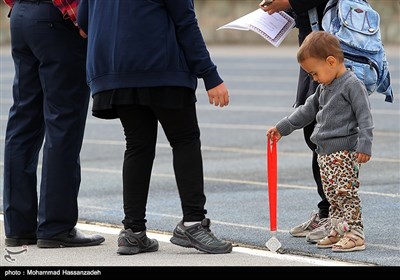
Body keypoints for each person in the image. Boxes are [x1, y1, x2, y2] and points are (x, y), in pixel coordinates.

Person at [77, 0, 233, 255]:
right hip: (161, 67)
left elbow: (83, 21)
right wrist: (210, 75)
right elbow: (186, 23)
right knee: (185, 140)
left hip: (116, 71)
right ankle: (193, 222)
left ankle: (133, 231)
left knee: (138, 146)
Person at [3, 0, 105, 248]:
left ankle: (19, 228)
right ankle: (56, 227)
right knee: (64, 122)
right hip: (54, 20)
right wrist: (81, 18)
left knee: (23, 121)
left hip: (21, 15)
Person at [267, 31, 372, 252]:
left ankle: (355, 233)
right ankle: (337, 229)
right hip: (324, 153)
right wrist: (282, 128)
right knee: (332, 195)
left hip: (344, 152)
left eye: (314, 73)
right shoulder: (323, 87)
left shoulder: (352, 85)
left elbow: (365, 117)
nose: (314, 79)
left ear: (331, 62)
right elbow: (306, 111)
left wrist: (365, 143)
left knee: (346, 194)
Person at [260, 0, 331, 243]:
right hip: (314, 54)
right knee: (313, 133)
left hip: (333, 55)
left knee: (329, 137)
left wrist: (288, 2)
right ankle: (327, 210)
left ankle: (338, 215)